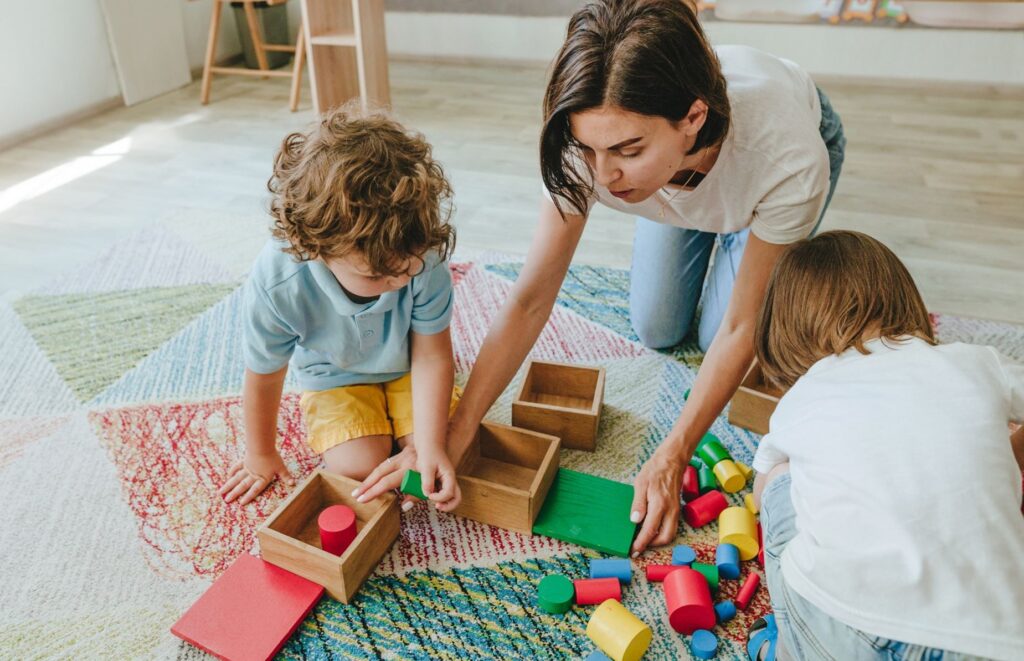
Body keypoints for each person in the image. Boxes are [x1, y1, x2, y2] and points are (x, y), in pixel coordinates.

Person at [356, 0, 845, 554]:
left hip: (755, 169)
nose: (604, 176)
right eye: (589, 148)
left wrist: (672, 453)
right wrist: (455, 428)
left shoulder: (790, 158)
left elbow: (740, 328)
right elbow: (531, 298)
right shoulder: (587, 151)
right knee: (658, 327)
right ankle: (686, 208)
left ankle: (725, 225)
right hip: (674, 180)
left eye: (626, 150)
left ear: (692, 120)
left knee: (718, 339)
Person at [750, 230, 1024, 660]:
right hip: (992, 640)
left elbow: (761, 491)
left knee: (781, 478)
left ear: (786, 329)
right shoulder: (977, 360)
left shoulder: (802, 397)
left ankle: (784, 647)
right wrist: (1012, 452)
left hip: (841, 629)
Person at [219, 106, 463, 513]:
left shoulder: (422, 255)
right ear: (317, 249)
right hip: (334, 376)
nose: (401, 280)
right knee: (358, 467)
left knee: (439, 455)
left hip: (410, 366)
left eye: (408, 267)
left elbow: (433, 354)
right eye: (378, 277)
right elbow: (264, 371)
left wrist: (432, 445)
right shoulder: (279, 282)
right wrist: (260, 453)